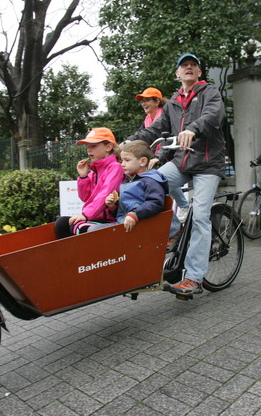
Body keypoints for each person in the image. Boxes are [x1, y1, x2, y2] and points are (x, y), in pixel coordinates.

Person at [123, 53, 226, 297]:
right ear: (177, 74)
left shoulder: (210, 93)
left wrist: (192, 129)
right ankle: (174, 230)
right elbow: (156, 129)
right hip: (182, 162)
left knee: (200, 216)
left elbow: (213, 116)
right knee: (149, 184)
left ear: (199, 72)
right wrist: (132, 143)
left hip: (208, 164)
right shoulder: (172, 104)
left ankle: (193, 277)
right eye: (184, 66)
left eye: (193, 65)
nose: (189, 68)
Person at [54, 127, 125, 238]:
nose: (89, 150)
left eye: (93, 146)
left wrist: (86, 215)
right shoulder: (94, 171)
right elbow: (85, 198)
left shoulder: (115, 167)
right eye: (88, 147)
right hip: (95, 217)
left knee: (78, 228)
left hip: (109, 219)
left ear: (108, 147)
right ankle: (68, 255)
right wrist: (83, 177)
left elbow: (105, 194)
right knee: (62, 223)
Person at [136, 87, 189, 222]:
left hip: (171, 155)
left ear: (157, 102)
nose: (143, 103)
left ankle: (184, 206)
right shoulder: (148, 118)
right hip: (157, 156)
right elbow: (143, 137)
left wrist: (157, 157)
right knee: (155, 182)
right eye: (142, 101)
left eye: (147, 100)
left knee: (160, 181)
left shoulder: (163, 116)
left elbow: (167, 140)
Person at [92, 140, 169, 232]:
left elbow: (155, 203)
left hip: (140, 226)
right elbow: (123, 209)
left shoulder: (151, 180)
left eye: (127, 160)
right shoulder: (127, 181)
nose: (122, 164)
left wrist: (135, 214)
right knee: (91, 230)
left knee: (93, 231)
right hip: (126, 224)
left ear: (142, 161)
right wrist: (113, 206)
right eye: (122, 160)